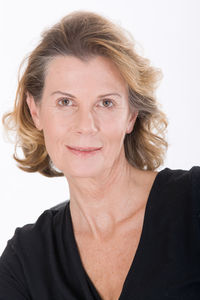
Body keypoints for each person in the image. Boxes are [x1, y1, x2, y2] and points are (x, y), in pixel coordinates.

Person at [0, 10, 200, 300]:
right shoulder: (26, 260)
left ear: (131, 115)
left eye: (105, 103)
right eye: (65, 102)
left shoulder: (192, 204)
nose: (86, 126)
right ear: (35, 111)